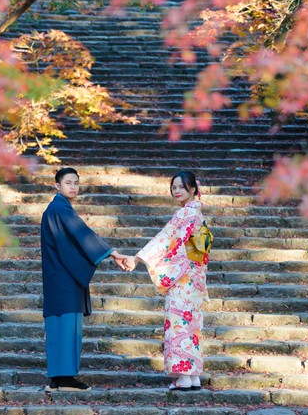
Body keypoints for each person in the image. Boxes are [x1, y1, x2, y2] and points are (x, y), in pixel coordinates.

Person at [41, 167, 128, 391]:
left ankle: (58, 378)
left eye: (76, 183)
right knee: (68, 325)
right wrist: (112, 253)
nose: (73, 186)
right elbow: (82, 233)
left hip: (58, 276)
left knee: (60, 325)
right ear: (57, 186)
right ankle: (65, 378)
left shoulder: (57, 209)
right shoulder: (60, 208)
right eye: (68, 182)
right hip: (64, 277)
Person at [124, 170, 211, 391]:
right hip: (195, 278)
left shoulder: (185, 214)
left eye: (181, 187)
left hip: (183, 277)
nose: (176, 191)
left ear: (192, 189)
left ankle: (183, 377)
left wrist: (138, 258)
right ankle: (193, 376)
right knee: (191, 327)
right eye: (174, 187)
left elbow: (164, 239)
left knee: (180, 324)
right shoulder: (196, 213)